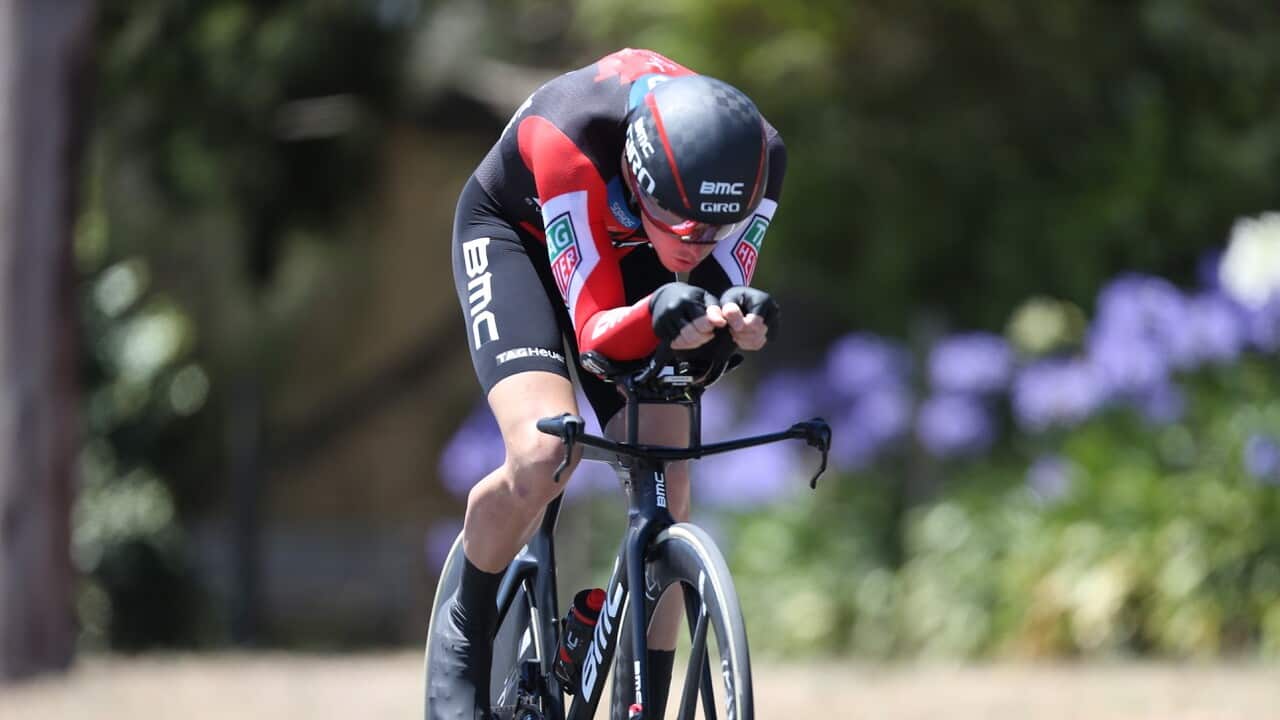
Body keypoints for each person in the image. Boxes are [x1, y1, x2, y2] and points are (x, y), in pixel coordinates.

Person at [431, 47, 786, 719]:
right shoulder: (570, 138)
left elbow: (711, 297)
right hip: (521, 236)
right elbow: (595, 331)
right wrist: (658, 312)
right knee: (543, 454)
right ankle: (462, 642)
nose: (698, 241)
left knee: (670, 483)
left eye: (714, 229)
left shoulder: (759, 158)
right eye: (683, 224)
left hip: (633, 257)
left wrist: (733, 324)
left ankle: (638, 699)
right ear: (636, 174)